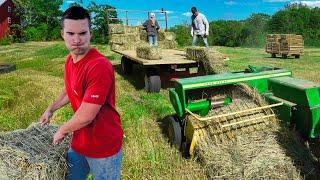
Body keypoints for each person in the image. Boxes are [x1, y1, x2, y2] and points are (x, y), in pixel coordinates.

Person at [39, 6, 123, 180]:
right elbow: (70, 90)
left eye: (82, 33)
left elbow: (86, 116)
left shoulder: (99, 66)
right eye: (71, 33)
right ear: (62, 34)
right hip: (79, 141)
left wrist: (62, 130)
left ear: (90, 33)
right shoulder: (70, 60)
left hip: (103, 146)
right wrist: (50, 109)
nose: (76, 40)